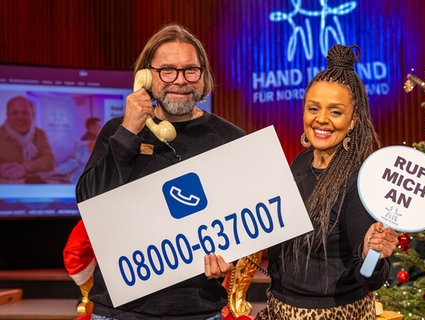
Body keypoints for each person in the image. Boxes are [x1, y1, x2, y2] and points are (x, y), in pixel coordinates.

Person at [74, 23, 245, 320]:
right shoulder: (118, 132)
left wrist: (232, 255)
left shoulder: (230, 139)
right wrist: (129, 132)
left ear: (203, 78)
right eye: (167, 70)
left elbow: (246, 220)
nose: (180, 80)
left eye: (190, 70)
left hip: (198, 310)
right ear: (146, 77)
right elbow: (90, 204)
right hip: (118, 312)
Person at [258, 44, 399, 319]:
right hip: (279, 309)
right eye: (313, 108)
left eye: (335, 112)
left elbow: (369, 277)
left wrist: (373, 255)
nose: (321, 120)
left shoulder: (359, 181)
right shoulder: (300, 162)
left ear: (354, 120)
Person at [0, 96, 55, 182]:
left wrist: (25, 168)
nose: (20, 117)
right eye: (14, 113)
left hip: (34, 189)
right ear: (7, 115)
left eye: (25, 113)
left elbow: (49, 160)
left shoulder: (39, 134)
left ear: (32, 115)